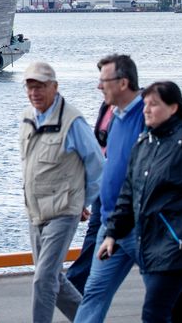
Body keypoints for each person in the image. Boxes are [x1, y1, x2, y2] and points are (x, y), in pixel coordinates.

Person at [98, 81, 182, 322]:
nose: (146, 110)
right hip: (154, 241)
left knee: (154, 314)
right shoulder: (145, 143)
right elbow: (128, 194)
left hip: (178, 243)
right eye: (145, 104)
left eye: (153, 104)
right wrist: (112, 234)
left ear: (173, 108)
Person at [19, 61, 103, 323]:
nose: (35, 93)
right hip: (35, 210)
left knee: (43, 279)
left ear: (55, 87)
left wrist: (82, 202)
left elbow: (97, 166)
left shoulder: (72, 121)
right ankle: (88, 320)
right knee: (52, 275)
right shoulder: (28, 117)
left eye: (41, 87)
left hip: (63, 211)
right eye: (30, 87)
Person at [73, 55, 147, 322]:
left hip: (142, 227)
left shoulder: (147, 115)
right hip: (111, 224)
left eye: (104, 80)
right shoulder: (114, 116)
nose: (98, 86)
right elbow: (107, 163)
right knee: (94, 293)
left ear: (123, 83)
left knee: (174, 301)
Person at [66, 100, 113, 294]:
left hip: (122, 187)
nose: (100, 86)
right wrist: (84, 195)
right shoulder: (107, 106)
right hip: (103, 182)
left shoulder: (136, 111)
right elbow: (95, 151)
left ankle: (74, 282)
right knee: (95, 233)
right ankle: (76, 281)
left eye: (106, 84)